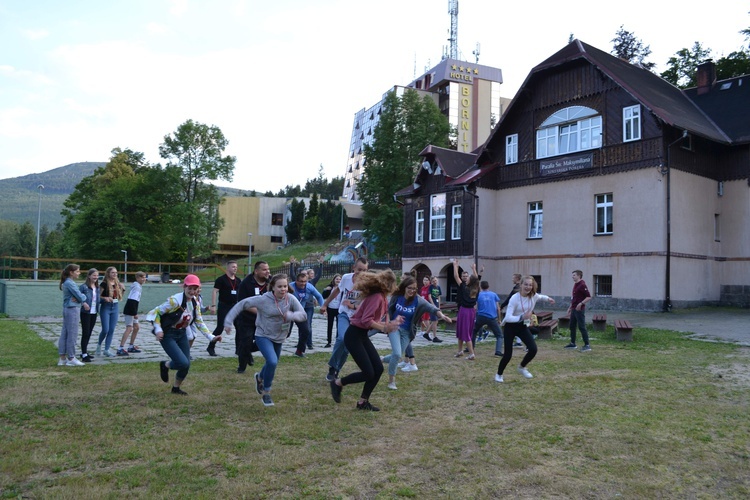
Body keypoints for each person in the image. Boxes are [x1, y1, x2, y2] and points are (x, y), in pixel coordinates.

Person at [224, 273, 307, 407]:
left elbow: (303, 315)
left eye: (285, 286)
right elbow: (241, 304)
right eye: (279, 286)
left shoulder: (290, 299)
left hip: (279, 337)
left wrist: (292, 315)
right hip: (263, 335)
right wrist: (228, 322)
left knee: (272, 363)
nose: (283, 289)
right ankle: (266, 392)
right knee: (272, 361)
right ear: (272, 287)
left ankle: (259, 377)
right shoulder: (263, 299)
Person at [329, 269, 403, 411]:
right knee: (368, 372)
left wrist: (390, 324)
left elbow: (372, 321)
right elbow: (366, 320)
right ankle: (337, 383)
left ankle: (363, 402)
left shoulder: (381, 297)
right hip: (354, 336)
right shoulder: (376, 297)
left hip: (361, 335)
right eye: (394, 283)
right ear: (389, 284)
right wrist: (384, 328)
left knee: (378, 368)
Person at [147, 274, 220, 395]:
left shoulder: (195, 302)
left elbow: (199, 321)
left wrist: (212, 337)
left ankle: (176, 388)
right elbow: (155, 312)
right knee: (182, 362)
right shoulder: (174, 301)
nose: (192, 291)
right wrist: (158, 329)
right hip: (168, 334)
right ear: (184, 287)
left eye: (195, 289)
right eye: (189, 288)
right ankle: (165, 365)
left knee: (186, 365)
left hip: (181, 333)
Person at [382, 276, 452, 390]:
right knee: (397, 354)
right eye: (410, 288)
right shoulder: (397, 296)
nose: (412, 291)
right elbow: (389, 310)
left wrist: (442, 315)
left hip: (407, 332)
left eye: (414, 288)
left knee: (397, 355)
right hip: (394, 328)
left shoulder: (418, 300)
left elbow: (432, 308)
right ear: (404, 287)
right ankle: (391, 381)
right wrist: (389, 322)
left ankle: (382, 359)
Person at [495, 275, 555, 382]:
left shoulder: (533, 296)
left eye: (530, 285)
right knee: (508, 355)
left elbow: (540, 297)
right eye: (526, 284)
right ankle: (499, 374)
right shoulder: (515, 298)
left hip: (522, 326)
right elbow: (508, 317)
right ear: (521, 285)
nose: (528, 287)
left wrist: (548, 299)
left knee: (533, 349)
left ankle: (522, 367)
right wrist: (522, 317)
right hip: (510, 326)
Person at [321, 257, 369, 382]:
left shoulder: (368, 284)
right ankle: (332, 367)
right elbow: (337, 290)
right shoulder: (347, 278)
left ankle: (337, 369)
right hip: (344, 313)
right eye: (359, 269)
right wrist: (325, 304)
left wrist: (353, 306)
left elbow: (367, 306)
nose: (362, 273)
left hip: (358, 318)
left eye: (365, 270)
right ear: (354, 268)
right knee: (342, 338)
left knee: (349, 346)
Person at [233, 261, 271, 373]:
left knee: (266, 341)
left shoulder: (271, 281)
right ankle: (242, 367)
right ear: (256, 271)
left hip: (265, 321)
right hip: (246, 319)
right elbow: (243, 303)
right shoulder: (246, 283)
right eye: (264, 270)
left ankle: (245, 351)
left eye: (268, 269)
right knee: (246, 342)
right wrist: (261, 312)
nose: (267, 272)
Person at [58, 264, 89, 366]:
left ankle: (62, 358)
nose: (79, 273)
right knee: (72, 333)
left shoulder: (68, 282)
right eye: (77, 271)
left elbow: (78, 296)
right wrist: (82, 297)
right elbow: (81, 296)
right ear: (71, 272)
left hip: (68, 309)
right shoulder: (70, 283)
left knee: (65, 333)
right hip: (72, 310)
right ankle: (71, 358)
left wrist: (79, 297)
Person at [207, 260, 240, 356]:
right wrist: (213, 305)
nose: (235, 268)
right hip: (224, 305)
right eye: (233, 267)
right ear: (228, 268)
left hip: (235, 306)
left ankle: (238, 349)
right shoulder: (221, 280)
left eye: (236, 267)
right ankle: (211, 347)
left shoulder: (238, 280)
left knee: (239, 327)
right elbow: (214, 292)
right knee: (220, 327)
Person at [288, 271, 324, 356]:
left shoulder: (309, 287)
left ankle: (300, 351)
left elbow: (319, 296)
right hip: (290, 311)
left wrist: (323, 307)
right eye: (301, 281)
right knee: (286, 332)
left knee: (306, 330)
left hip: (301, 312)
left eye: (305, 281)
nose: (303, 283)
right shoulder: (290, 286)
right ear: (296, 281)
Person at [452, 259, 479, 360]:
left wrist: (455, 266)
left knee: (465, 332)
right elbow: (476, 279)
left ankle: (471, 354)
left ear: (470, 281)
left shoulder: (464, 287)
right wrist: (474, 269)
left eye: (468, 278)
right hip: (471, 311)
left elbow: (456, 276)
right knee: (461, 331)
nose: (466, 279)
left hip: (464, 311)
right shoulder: (476, 288)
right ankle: (460, 351)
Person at [96, 267, 124, 357]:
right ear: (108, 273)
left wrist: (122, 289)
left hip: (115, 307)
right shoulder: (104, 284)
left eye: (116, 273)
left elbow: (119, 298)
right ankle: (99, 345)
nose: (115, 274)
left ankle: (107, 349)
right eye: (112, 273)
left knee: (111, 330)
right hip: (106, 307)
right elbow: (97, 297)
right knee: (105, 329)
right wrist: (105, 298)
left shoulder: (117, 283)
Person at [117, 271, 147, 356]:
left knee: (136, 327)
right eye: (142, 277)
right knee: (129, 328)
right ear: (137, 278)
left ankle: (131, 346)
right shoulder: (137, 287)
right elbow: (132, 301)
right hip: (130, 309)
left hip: (133, 308)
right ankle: (120, 348)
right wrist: (134, 313)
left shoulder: (138, 286)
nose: (144, 279)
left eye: (144, 277)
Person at [472, 281, 505, 357]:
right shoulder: (493, 295)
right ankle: (498, 351)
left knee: (473, 331)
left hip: (480, 316)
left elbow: (475, 307)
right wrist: (499, 319)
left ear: (481, 287)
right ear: (488, 286)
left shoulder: (478, 295)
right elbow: (498, 308)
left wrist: (474, 317)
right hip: (491, 317)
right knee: (499, 335)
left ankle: (471, 347)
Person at [565, 269, 592, 352]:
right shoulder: (575, 285)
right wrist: (570, 307)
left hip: (579, 310)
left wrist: (581, 303)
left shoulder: (582, 285)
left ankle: (587, 345)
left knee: (582, 327)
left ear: (579, 276)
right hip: (573, 309)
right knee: (572, 326)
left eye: (574, 275)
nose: (572, 276)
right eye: (572, 275)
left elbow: (588, 297)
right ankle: (573, 343)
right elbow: (574, 298)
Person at [78, 268, 99, 362]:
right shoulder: (83, 287)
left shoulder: (97, 287)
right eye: (94, 275)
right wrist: (83, 303)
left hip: (94, 312)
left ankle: (85, 351)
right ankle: (84, 354)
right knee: (85, 332)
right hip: (85, 313)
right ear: (89, 276)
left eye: (97, 275)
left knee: (89, 332)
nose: (96, 277)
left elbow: (97, 299)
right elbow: (78, 297)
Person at [500, 273, 523, 347]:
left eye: (513, 278)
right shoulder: (520, 287)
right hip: (521, 309)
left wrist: (502, 306)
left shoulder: (517, 288)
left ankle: (516, 341)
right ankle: (518, 341)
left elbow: (509, 298)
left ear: (517, 279)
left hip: (517, 309)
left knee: (516, 324)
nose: (512, 279)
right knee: (521, 324)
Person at [322, 274, 342, 348]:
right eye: (337, 279)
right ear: (334, 280)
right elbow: (324, 296)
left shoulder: (342, 288)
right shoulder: (330, 288)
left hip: (338, 309)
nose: (338, 280)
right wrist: (326, 290)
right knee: (330, 325)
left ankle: (338, 340)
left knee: (338, 326)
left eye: (340, 279)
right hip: (330, 308)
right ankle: (329, 341)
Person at [424, 276, 444, 343]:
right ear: (431, 282)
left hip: (437, 305)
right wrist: (433, 305)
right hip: (432, 306)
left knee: (435, 321)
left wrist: (439, 306)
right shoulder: (430, 287)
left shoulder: (438, 287)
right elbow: (429, 297)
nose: (435, 282)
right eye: (433, 281)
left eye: (436, 280)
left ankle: (426, 334)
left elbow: (438, 297)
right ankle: (435, 337)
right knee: (434, 320)